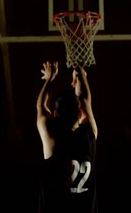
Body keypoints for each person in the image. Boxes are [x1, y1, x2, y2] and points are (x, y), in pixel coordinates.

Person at [36, 61, 98, 213]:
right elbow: (85, 99)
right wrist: (79, 73)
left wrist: (49, 80)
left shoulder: (52, 139)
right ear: (79, 114)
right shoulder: (89, 135)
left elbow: (41, 107)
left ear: (55, 114)